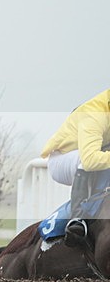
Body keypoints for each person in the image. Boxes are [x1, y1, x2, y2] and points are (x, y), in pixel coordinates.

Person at [40, 88, 110, 244]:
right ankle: (77, 219)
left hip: (90, 154)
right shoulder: (95, 114)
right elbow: (90, 161)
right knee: (85, 160)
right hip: (63, 161)